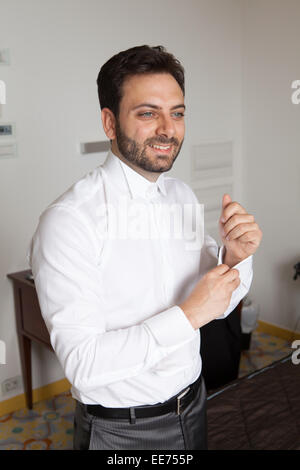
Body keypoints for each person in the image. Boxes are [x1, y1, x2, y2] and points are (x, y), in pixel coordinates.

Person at [28, 45, 262, 450]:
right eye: (148, 113)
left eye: (177, 113)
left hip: (193, 402)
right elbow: (84, 366)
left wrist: (236, 259)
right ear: (109, 122)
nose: (168, 129)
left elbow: (218, 301)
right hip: (122, 431)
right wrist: (188, 315)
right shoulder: (69, 221)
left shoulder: (182, 196)